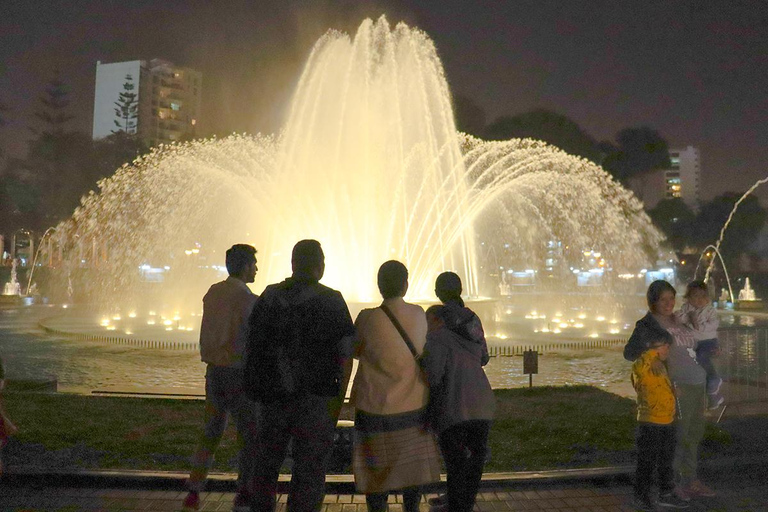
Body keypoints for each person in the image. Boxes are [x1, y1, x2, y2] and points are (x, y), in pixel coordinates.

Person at [246, 239, 355, 512]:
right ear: (321, 266)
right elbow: (345, 355)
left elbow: (252, 345)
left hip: (272, 397)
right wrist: (338, 401)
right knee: (310, 468)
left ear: (293, 264)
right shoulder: (332, 300)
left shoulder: (269, 297)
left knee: (266, 466)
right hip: (316, 399)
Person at [350, 260, 441, 512]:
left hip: (374, 408)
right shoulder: (419, 314)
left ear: (379, 286)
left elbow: (356, 351)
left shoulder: (367, 318)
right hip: (414, 406)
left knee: (375, 473)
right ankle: (411, 508)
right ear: (405, 284)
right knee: (412, 472)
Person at [183, 244, 261, 512]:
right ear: (244, 267)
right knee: (249, 434)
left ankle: (194, 488)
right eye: (253, 264)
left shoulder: (213, 292)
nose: (257, 269)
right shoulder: (249, 300)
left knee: (211, 430)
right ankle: (244, 492)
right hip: (239, 374)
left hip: (214, 372)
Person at [624, 280, 716, 502]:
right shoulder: (648, 324)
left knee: (693, 435)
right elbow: (630, 352)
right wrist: (653, 350)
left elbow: (693, 343)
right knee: (677, 438)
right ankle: (671, 485)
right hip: (678, 387)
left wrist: (709, 348)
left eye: (671, 298)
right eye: (663, 299)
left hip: (697, 383)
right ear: (653, 301)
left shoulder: (679, 319)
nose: (668, 303)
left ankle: (689, 479)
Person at [422, 305, 495, 512]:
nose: (425, 327)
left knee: (455, 460)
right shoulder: (467, 339)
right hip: (482, 403)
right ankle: (465, 503)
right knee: (476, 458)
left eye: (428, 321)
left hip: (456, 406)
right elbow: (483, 358)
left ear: (438, 320)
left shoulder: (437, 339)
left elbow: (434, 376)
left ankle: (455, 506)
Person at [630, 337, 681, 511]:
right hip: (650, 421)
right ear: (654, 348)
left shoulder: (661, 364)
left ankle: (666, 494)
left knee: (666, 460)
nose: (668, 349)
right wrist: (653, 355)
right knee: (647, 461)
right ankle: (641, 496)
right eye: (665, 346)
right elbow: (640, 372)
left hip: (667, 418)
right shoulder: (642, 364)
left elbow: (659, 387)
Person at [677, 280, 723, 409]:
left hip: (709, 342)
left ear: (707, 298)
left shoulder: (709, 311)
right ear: (688, 297)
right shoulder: (687, 308)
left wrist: (696, 326)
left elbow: (713, 324)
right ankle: (711, 395)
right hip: (693, 342)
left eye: (702, 296)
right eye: (695, 296)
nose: (699, 300)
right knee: (690, 362)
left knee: (701, 356)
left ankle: (714, 379)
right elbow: (679, 317)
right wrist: (690, 318)